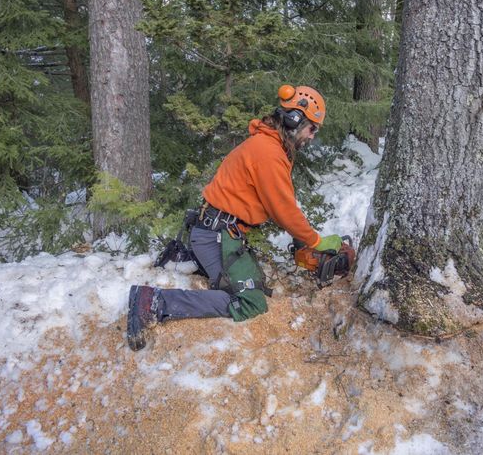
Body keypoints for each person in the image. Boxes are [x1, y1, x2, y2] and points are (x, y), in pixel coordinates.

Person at [127, 85, 345, 351]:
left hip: (219, 232)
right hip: (217, 235)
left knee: (256, 281)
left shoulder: (270, 146)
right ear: (295, 119)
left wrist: (304, 239)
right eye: (312, 128)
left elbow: (277, 202)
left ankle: (189, 259)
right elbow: (283, 210)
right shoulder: (268, 152)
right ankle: (154, 302)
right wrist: (315, 241)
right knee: (252, 300)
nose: (312, 136)